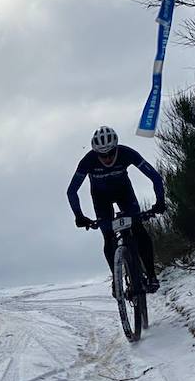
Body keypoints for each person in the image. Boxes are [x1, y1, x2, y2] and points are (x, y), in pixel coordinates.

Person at [67, 125, 167, 294]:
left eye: (110, 154)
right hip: (101, 198)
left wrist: (160, 202)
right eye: (102, 155)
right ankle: (116, 279)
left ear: (116, 148)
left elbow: (155, 177)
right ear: (96, 153)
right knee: (108, 236)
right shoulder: (88, 160)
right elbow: (71, 191)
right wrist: (79, 216)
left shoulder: (126, 153)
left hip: (124, 193)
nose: (106, 158)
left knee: (138, 230)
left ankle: (151, 275)